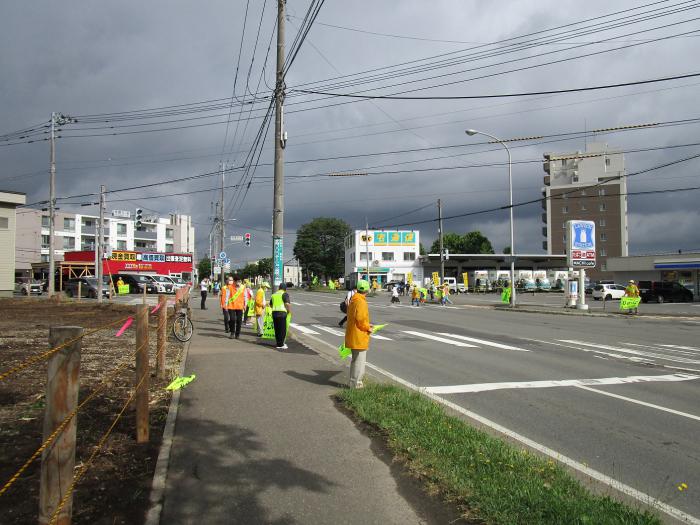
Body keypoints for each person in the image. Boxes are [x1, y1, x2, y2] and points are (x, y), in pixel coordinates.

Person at [344, 279, 373, 389]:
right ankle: (356, 385)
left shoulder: (354, 299)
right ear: (367, 290)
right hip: (359, 335)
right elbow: (360, 319)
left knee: (355, 360)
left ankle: (353, 383)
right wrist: (368, 327)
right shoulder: (361, 301)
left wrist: (367, 325)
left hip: (353, 334)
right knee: (359, 362)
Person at [270, 282, 291, 350]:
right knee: (282, 330)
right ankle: (281, 344)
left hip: (274, 313)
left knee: (277, 329)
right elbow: (287, 304)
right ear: (285, 289)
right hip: (282, 314)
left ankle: (278, 343)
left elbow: (271, 305)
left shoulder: (274, 294)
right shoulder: (284, 294)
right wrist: (289, 311)